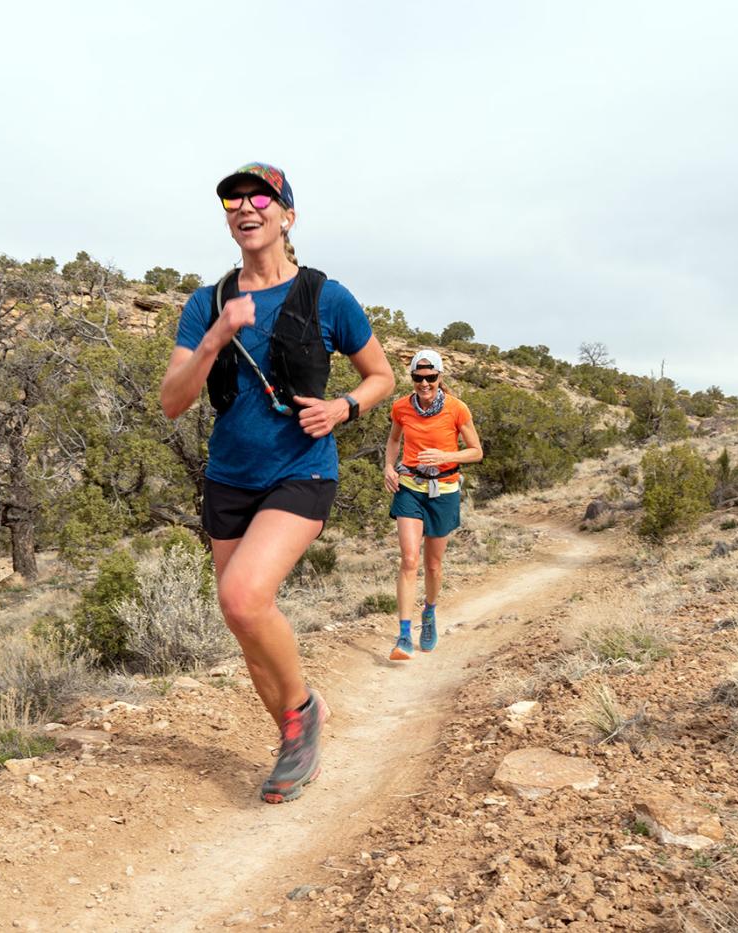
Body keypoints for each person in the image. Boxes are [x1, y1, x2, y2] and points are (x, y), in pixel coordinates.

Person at [160, 162, 394, 803]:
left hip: (302, 470)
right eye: (233, 200)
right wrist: (217, 333)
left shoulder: (328, 296)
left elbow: (381, 376)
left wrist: (344, 407)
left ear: (286, 216)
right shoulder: (205, 304)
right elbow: (174, 401)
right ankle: (294, 737)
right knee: (245, 622)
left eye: (259, 197)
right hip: (229, 477)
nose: (245, 206)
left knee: (241, 599)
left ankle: (303, 712)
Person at [381, 349, 483, 660]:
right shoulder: (401, 407)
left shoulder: (456, 408)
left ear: (439, 377)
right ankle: (403, 636)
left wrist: (446, 456)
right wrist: (388, 466)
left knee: (433, 565)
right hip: (410, 487)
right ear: (411, 377)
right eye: (418, 377)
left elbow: (476, 451)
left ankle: (429, 614)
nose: (424, 383)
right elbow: (394, 440)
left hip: (445, 490)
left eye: (430, 377)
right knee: (409, 560)